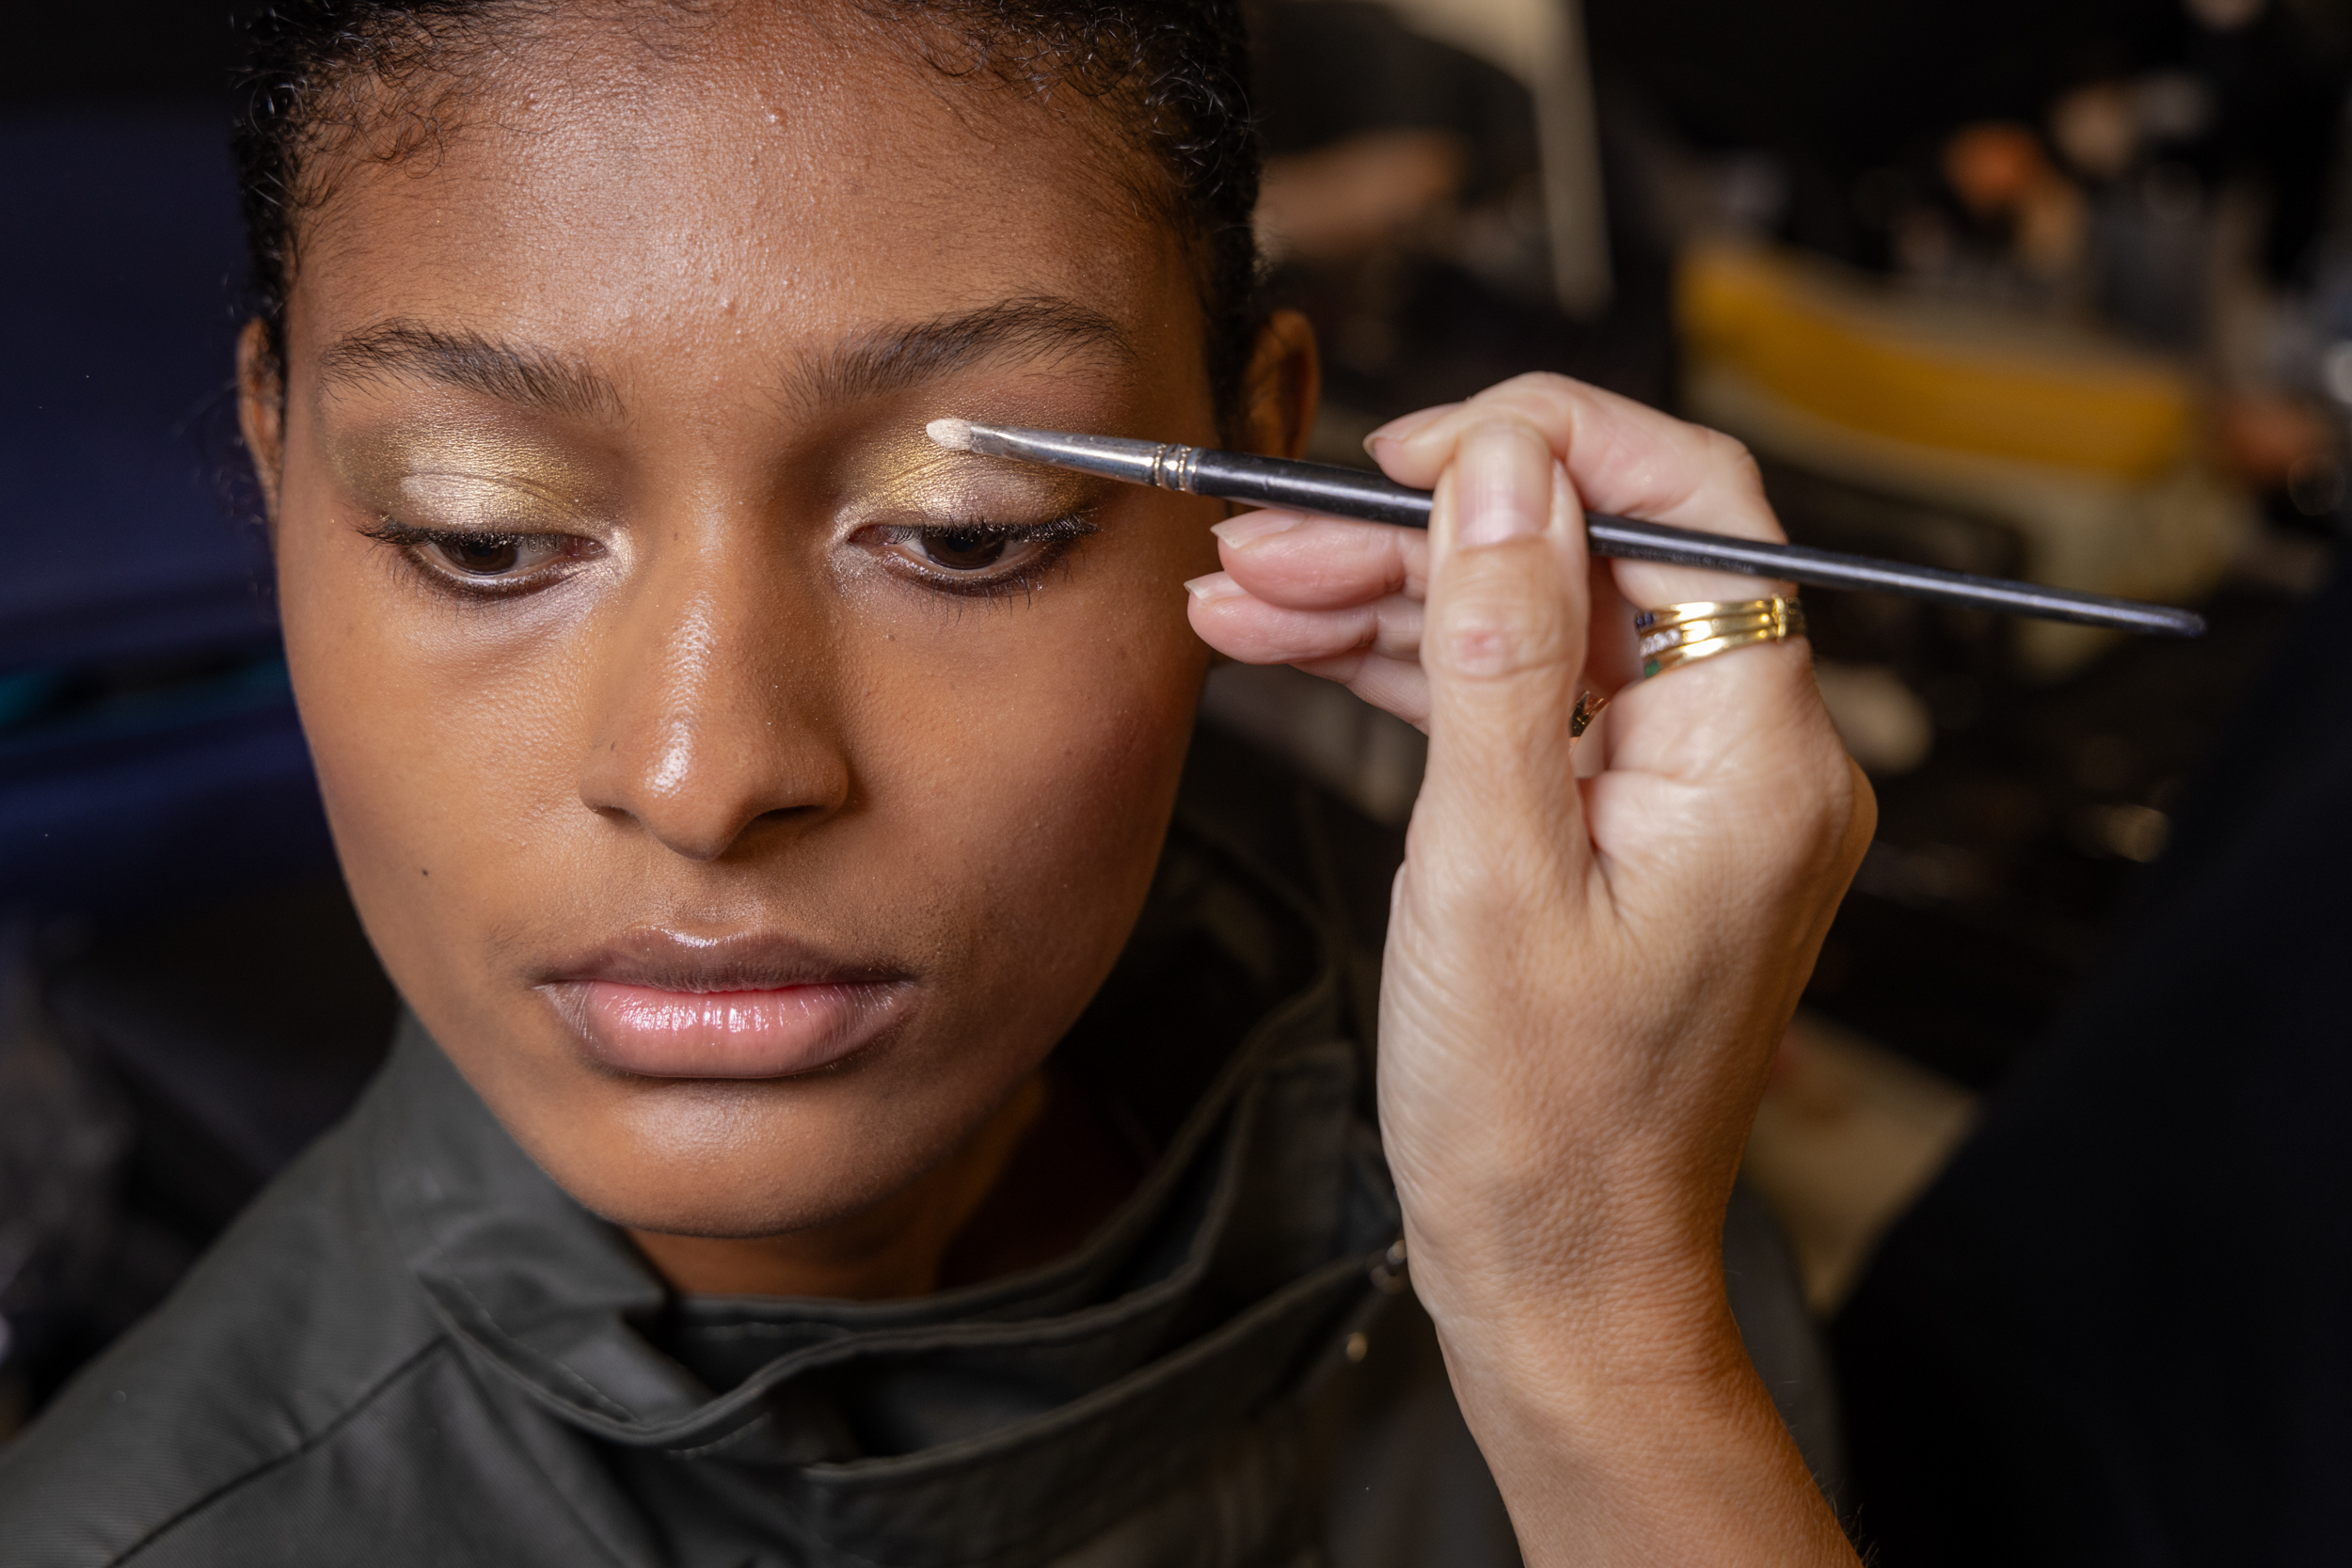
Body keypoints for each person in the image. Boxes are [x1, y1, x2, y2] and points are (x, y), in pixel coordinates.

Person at [0, 2, 1871, 1562]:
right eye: (480, 536)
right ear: (274, 456)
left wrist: (1590, 1326)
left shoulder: (1585, 1100)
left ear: (1252, 466)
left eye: (964, 536)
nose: (709, 773)